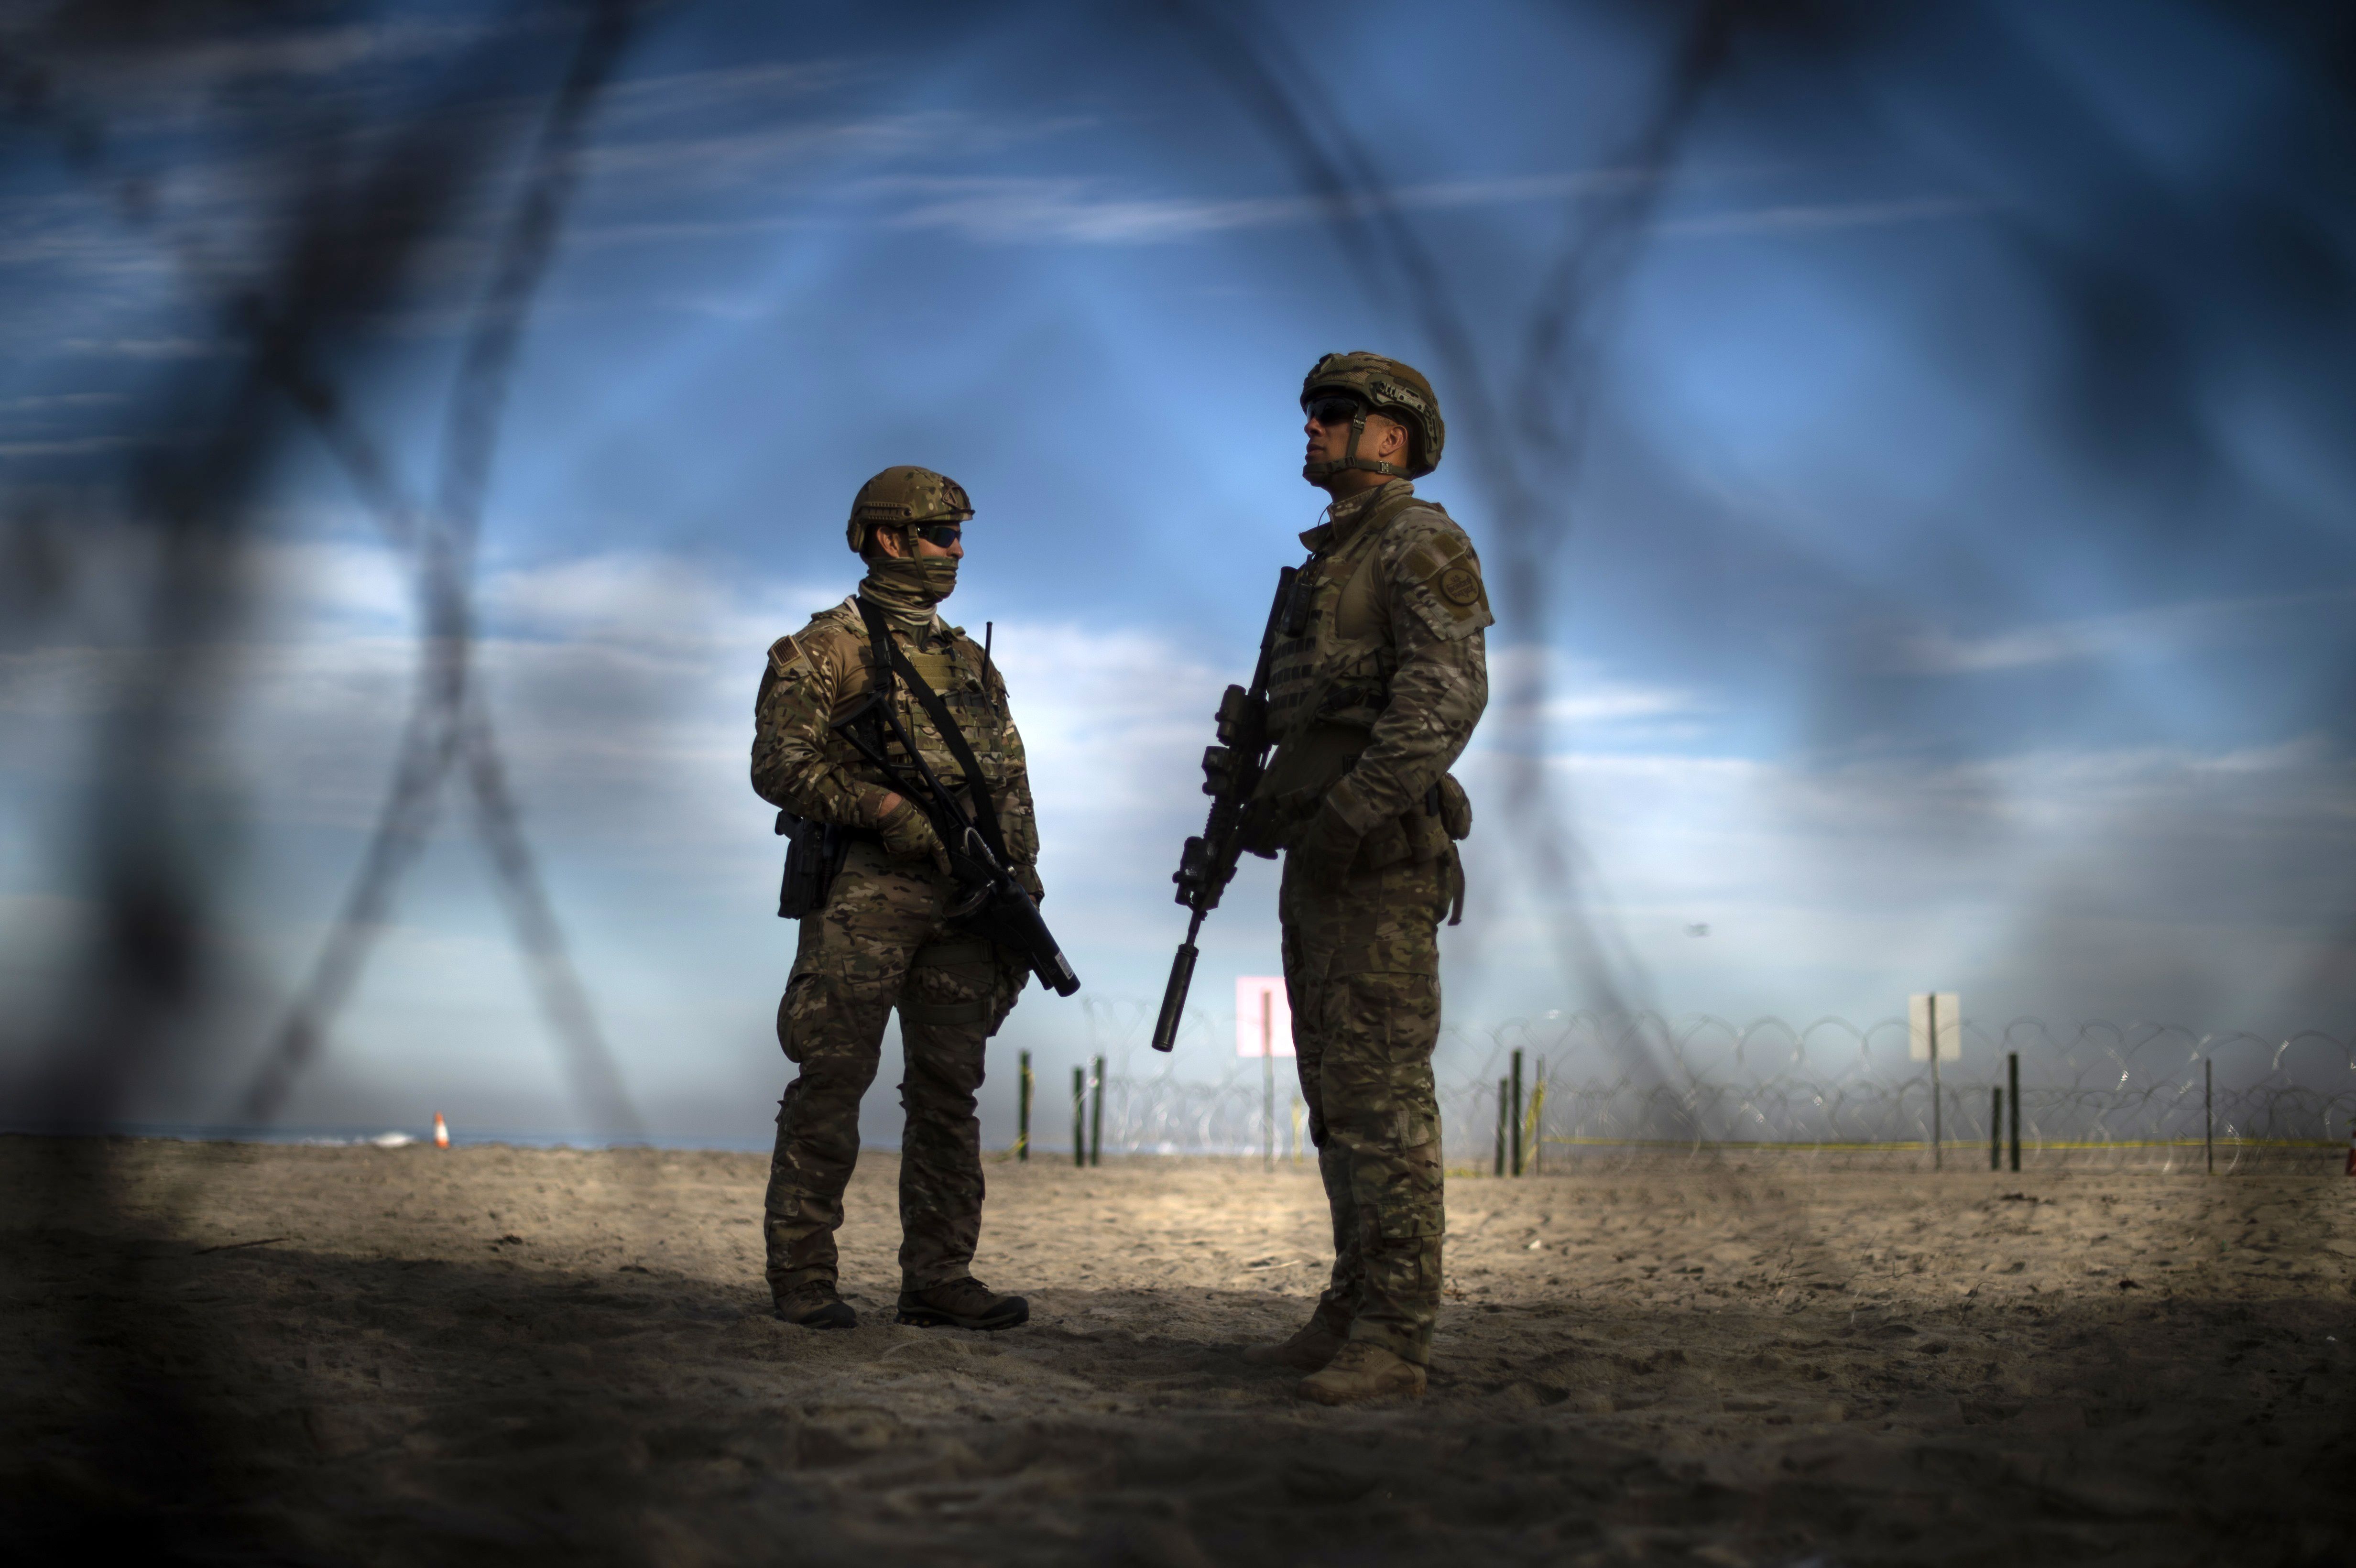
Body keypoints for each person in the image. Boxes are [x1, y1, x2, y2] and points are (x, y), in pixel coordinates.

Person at [1236, 353, 1491, 1403]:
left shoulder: (1418, 543)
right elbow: (1320, 714)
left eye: (1333, 413)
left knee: (1382, 1098)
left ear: (1390, 436)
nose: (1310, 427)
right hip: (1324, 862)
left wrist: (1346, 817)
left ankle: (1395, 1331)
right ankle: (1353, 1300)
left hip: (1376, 861)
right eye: (1308, 411)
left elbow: (1444, 699)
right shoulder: (1331, 564)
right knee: (1334, 1097)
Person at [751, 465, 1044, 1332]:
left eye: (959, 536)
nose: (956, 551)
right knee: (833, 1077)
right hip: (865, 896)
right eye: (940, 534)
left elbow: (1010, 788)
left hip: (965, 901)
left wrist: (1019, 892)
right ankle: (805, 1277)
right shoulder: (821, 650)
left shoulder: (969, 662)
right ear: (888, 539)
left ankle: (940, 1278)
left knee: (951, 1092)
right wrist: (881, 807)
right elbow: (780, 766)